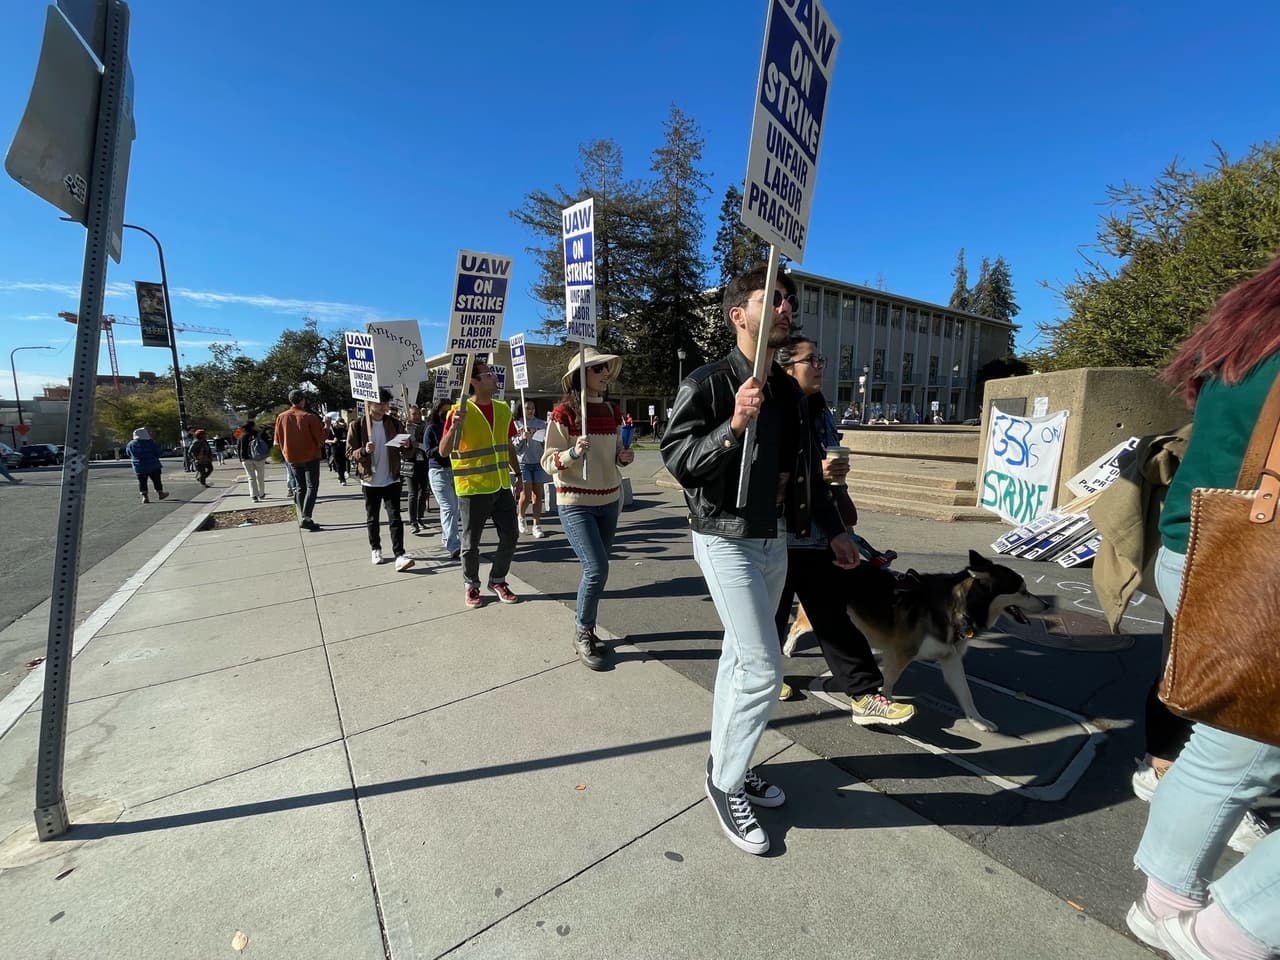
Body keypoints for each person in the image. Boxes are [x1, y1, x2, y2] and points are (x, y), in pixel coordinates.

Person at [661, 263, 858, 856]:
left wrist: (833, 528)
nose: (784, 308)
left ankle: (732, 761)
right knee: (764, 668)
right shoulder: (711, 382)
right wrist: (733, 425)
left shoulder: (788, 391)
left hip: (774, 538)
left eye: (789, 300)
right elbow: (677, 458)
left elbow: (803, 473)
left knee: (737, 660)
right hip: (724, 538)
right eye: (771, 298)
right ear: (737, 314)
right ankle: (725, 785)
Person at [1126, 252, 1280, 960]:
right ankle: (1227, 935)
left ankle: (1169, 904)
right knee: (1242, 747)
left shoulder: (1256, 321)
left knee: (1230, 743)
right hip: (1251, 562)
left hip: (1204, 544)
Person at [772, 334, 915, 723]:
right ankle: (764, 682)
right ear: (787, 368)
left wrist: (839, 511)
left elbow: (830, 469)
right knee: (770, 615)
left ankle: (866, 695)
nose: (820, 366)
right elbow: (761, 474)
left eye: (821, 359)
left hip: (820, 528)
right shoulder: (773, 409)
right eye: (811, 360)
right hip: (779, 531)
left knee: (832, 615)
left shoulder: (820, 411)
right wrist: (811, 475)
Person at [543, 348, 634, 670]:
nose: (606, 373)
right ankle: (582, 632)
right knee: (596, 570)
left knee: (597, 571)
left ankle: (589, 629)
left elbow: (616, 452)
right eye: (598, 369)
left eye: (607, 368)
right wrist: (571, 453)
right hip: (575, 502)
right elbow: (548, 462)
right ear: (581, 377)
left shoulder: (612, 410)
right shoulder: (563, 414)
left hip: (609, 500)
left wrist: (623, 456)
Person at [438, 358, 522, 608]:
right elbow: (443, 451)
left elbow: (507, 446)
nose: (494, 378)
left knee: (511, 535)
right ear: (473, 381)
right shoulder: (458, 412)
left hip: (500, 486)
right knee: (470, 544)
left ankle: (497, 579)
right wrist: (454, 428)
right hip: (472, 488)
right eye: (489, 375)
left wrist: (519, 476)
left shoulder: (503, 409)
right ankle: (471, 585)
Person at [346, 388, 416, 572]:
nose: (384, 406)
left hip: (391, 477)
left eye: (386, 403)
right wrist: (363, 451)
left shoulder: (393, 423)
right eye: (380, 403)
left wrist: (408, 445)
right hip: (370, 479)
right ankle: (375, 548)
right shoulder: (357, 425)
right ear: (369, 404)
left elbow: (408, 450)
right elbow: (349, 453)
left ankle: (400, 554)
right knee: (373, 517)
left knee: (395, 517)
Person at [274, 388, 327, 531]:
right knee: (312, 486)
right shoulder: (309, 417)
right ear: (302, 400)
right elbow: (321, 438)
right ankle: (306, 516)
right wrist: (327, 425)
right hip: (310, 456)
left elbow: (277, 439)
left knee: (299, 486)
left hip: (292, 457)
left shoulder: (281, 417)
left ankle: (304, 515)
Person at [424, 399, 460, 560]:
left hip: (454, 470)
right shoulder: (432, 428)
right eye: (444, 411)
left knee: (455, 508)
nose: (447, 414)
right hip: (438, 471)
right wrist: (442, 447)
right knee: (449, 507)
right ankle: (453, 545)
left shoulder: (455, 428)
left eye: (449, 411)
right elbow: (428, 451)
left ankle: (447, 538)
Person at [514, 398, 550, 539]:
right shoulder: (517, 424)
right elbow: (514, 448)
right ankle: (521, 516)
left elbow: (545, 444)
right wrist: (522, 437)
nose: (531, 411)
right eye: (528, 408)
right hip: (523, 463)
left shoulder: (541, 424)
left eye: (533, 408)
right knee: (526, 494)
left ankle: (537, 525)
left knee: (538, 495)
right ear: (521, 409)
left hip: (538, 462)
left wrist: (545, 438)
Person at [405, 405, 430, 535]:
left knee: (423, 492)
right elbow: (401, 448)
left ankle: (420, 518)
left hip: (424, 463)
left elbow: (428, 444)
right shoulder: (404, 428)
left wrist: (417, 444)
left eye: (418, 413)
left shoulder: (426, 426)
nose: (416, 416)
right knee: (412, 493)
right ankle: (413, 521)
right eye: (413, 414)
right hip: (410, 463)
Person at [125, 427, 169, 503]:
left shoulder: (130, 444)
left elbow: (128, 453)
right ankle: (160, 493)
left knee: (142, 482)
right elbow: (158, 453)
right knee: (156, 480)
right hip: (153, 465)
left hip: (139, 466)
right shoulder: (151, 443)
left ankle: (145, 497)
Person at [238, 419, 270, 502]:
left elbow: (239, 449)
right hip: (259, 458)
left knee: (251, 478)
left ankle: (254, 496)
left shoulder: (242, 436)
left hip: (246, 459)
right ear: (253, 426)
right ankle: (261, 493)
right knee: (260, 476)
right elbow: (267, 443)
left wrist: (241, 459)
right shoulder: (258, 434)